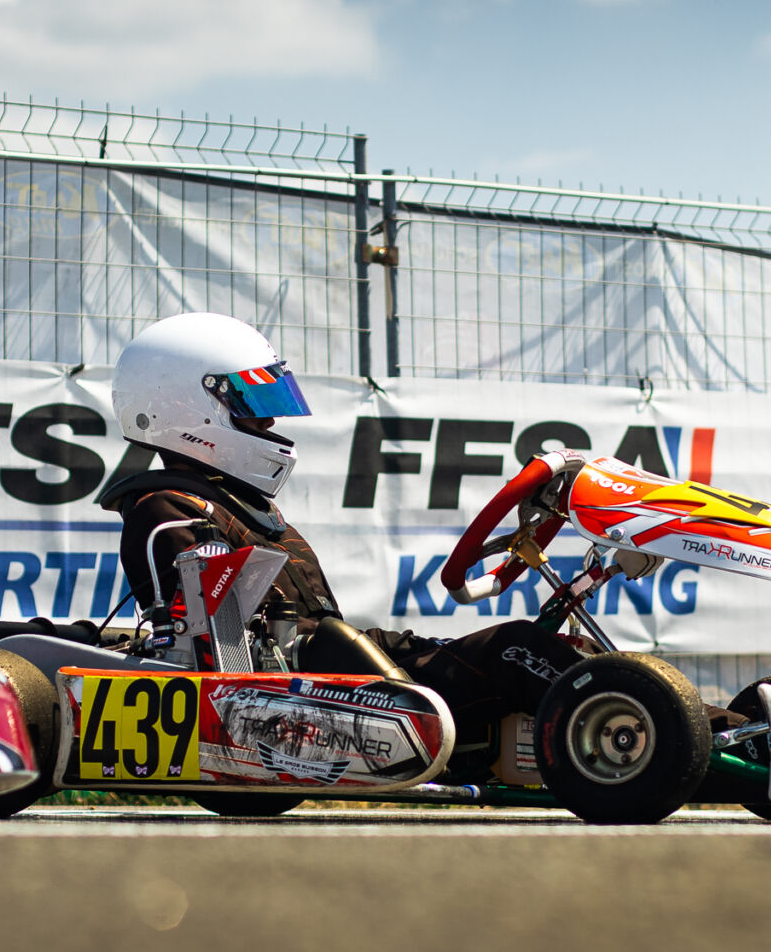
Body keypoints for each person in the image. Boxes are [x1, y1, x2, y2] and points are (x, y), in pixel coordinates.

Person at [98, 312, 583, 773]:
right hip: (303, 698)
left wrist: (410, 650)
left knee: (527, 645)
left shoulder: (244, 509)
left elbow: (318, 627)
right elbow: (219, 651)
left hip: (338, 671)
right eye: (249, 405)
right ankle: (616, 722)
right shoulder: (167, 511)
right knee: (514, 650)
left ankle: (594, 731)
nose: (269, 422)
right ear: (185, 408)